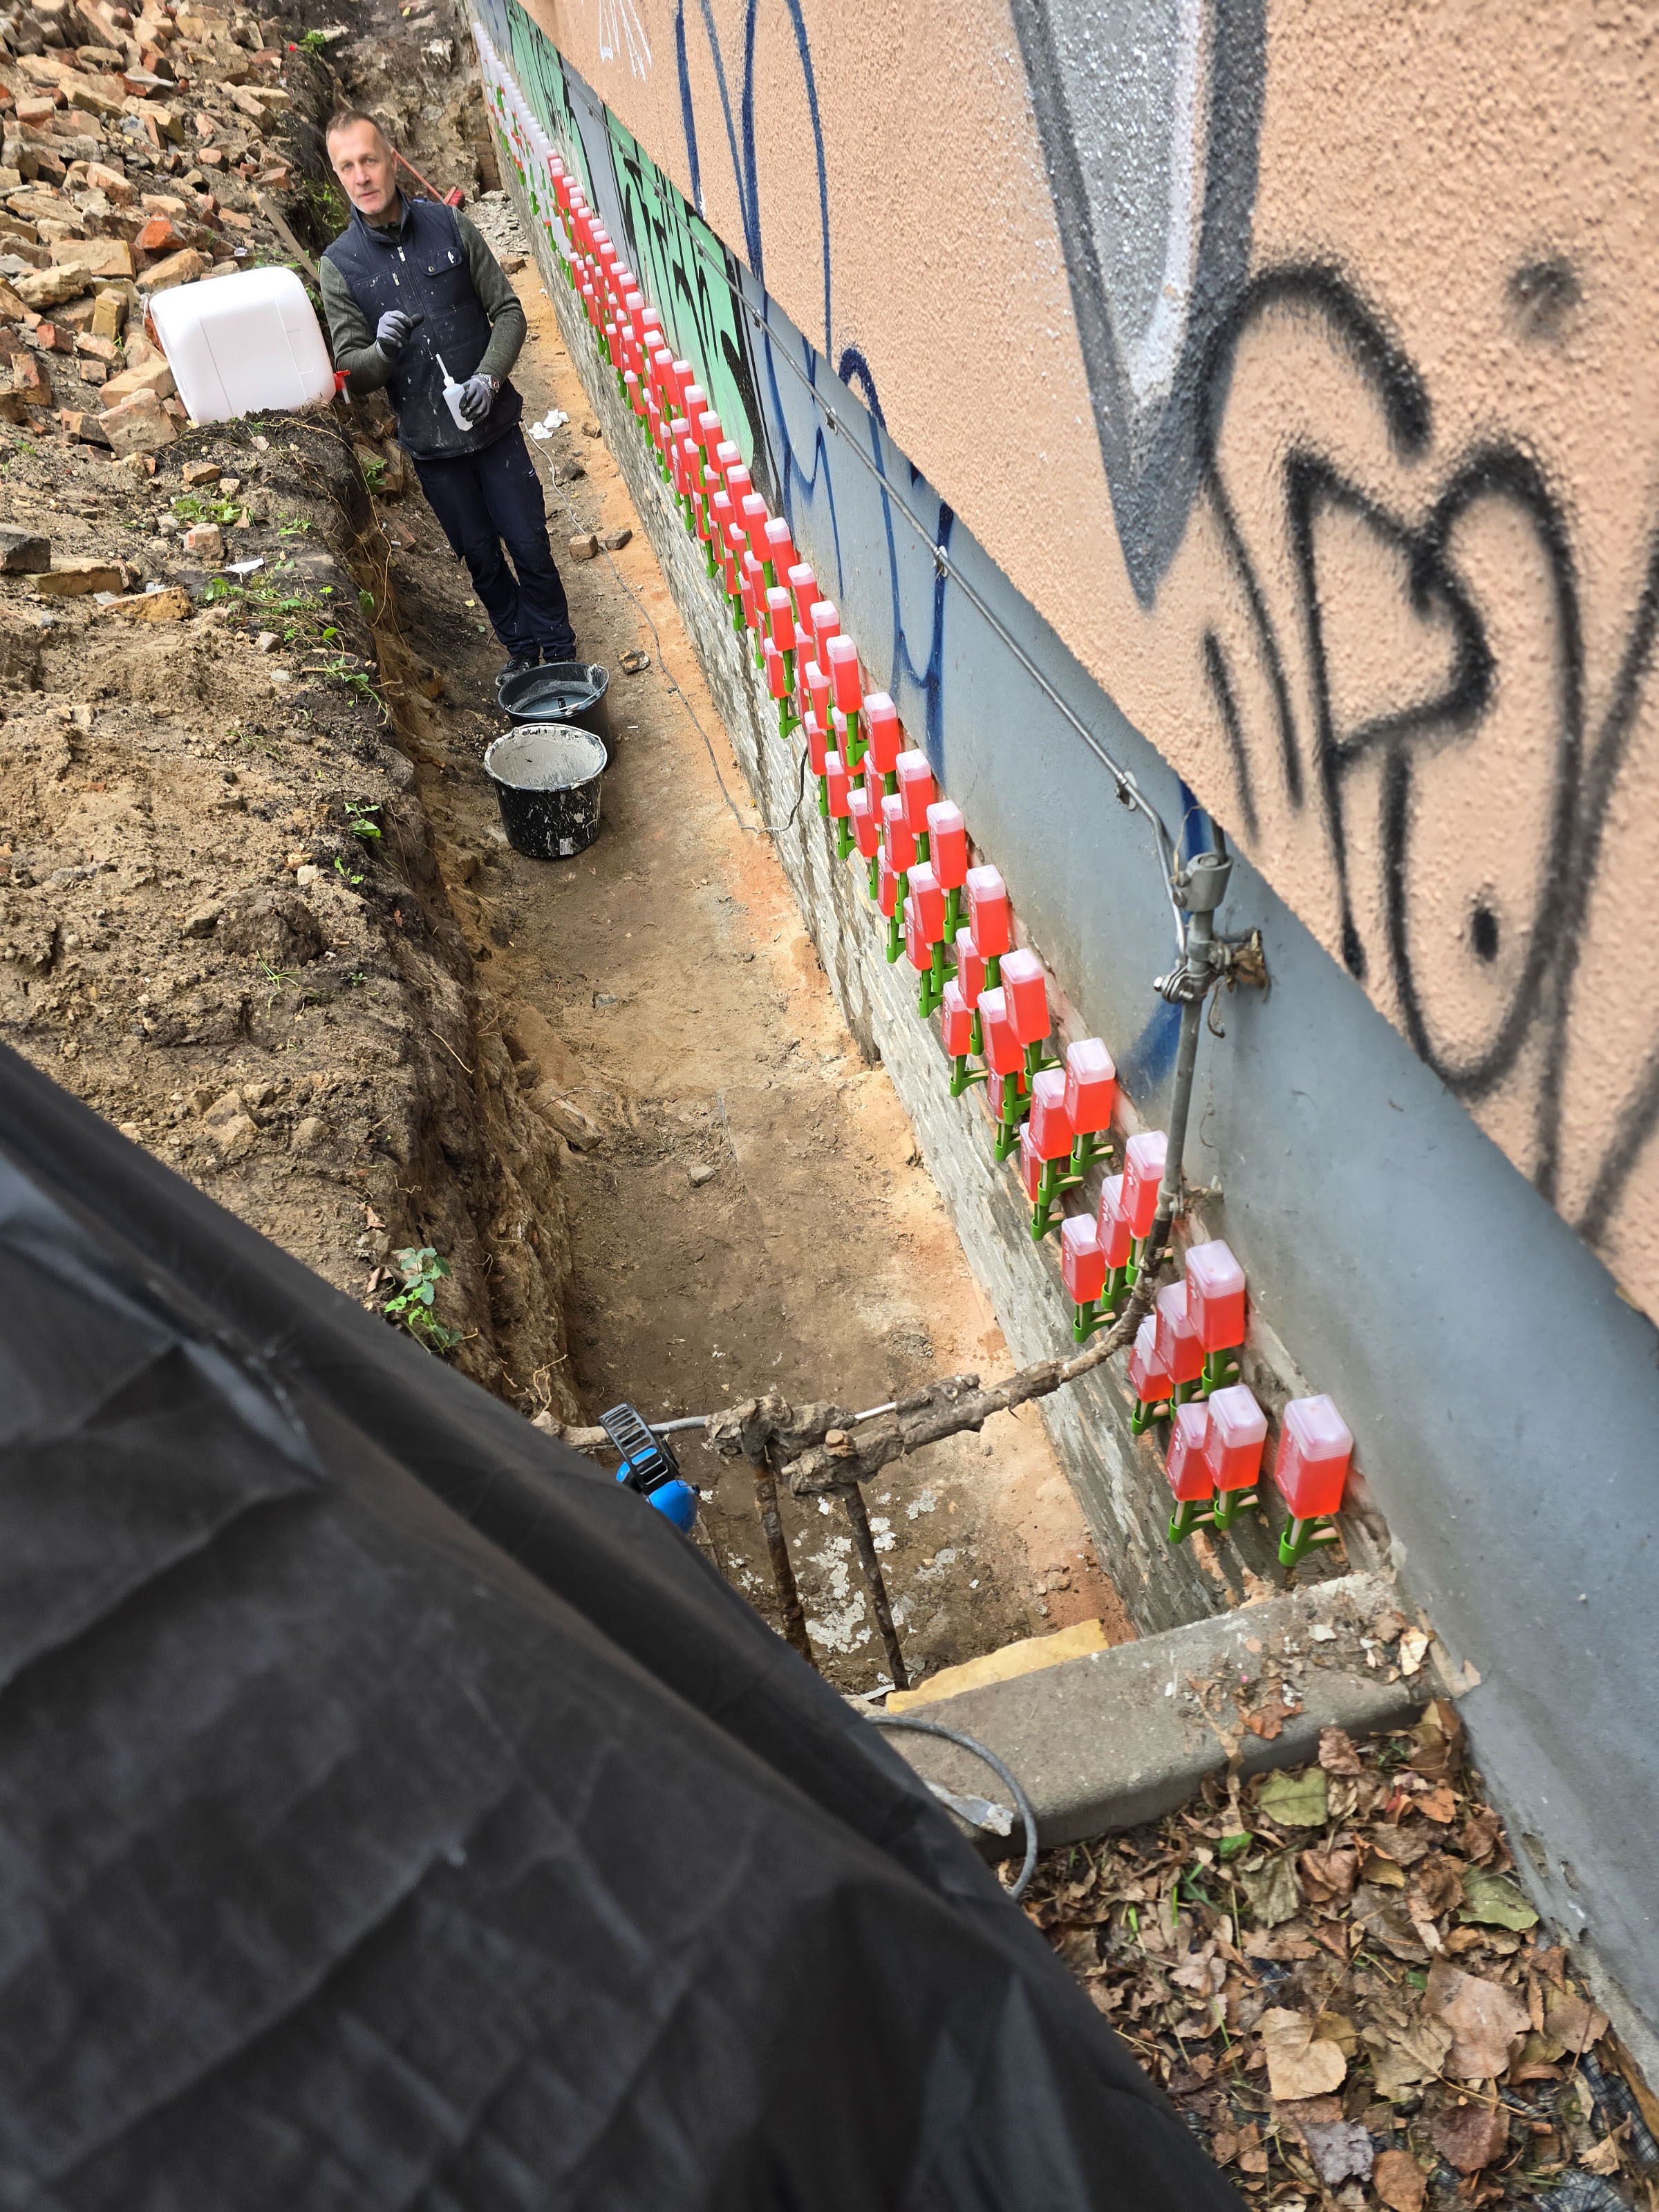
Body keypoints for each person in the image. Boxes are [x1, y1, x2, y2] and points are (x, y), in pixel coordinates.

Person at [318, 109, 577, 679]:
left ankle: (559, 654)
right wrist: (381, 350)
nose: (362, 176)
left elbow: (508, 311)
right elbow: (352, 371)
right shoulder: (339, 266)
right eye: (347, 166)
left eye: (369, 160)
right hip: (434, 452)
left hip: (496, 431)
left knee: (530, 546)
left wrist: (490, 378)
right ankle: (521, 653)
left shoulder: (450, 226)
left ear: (391, 160)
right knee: (482, 560)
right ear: (338, 175)